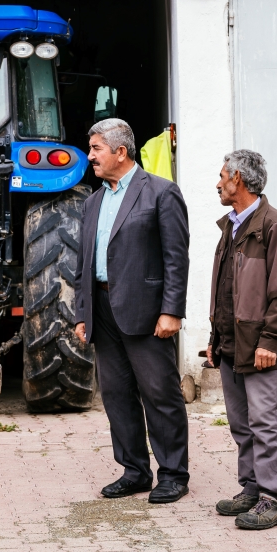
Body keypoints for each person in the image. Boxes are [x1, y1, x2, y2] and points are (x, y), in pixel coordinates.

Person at [73, 118, 191, 504]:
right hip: (103, 311)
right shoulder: (93, 202)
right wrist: (82, 313)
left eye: (96, 149)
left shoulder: (161, 193)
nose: (90, 156)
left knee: (160, 394)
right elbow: (83, 263)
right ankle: (135, 471)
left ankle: (172, 474)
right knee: (117, 394)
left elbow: (176, 258)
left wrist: (172, 310)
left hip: (146, 311)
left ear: (120, 152)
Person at [207, 149, 277, 530]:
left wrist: (270, 341)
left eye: (222, 175)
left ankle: (275, 499)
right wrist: (215, 338)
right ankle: (252, 489)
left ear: (238, 178)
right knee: (241, 423)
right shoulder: (232, 226)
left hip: (262, 347)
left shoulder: (275, 225)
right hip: (232, 343)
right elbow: (226, 290)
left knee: (265, 423)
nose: (218, 183)